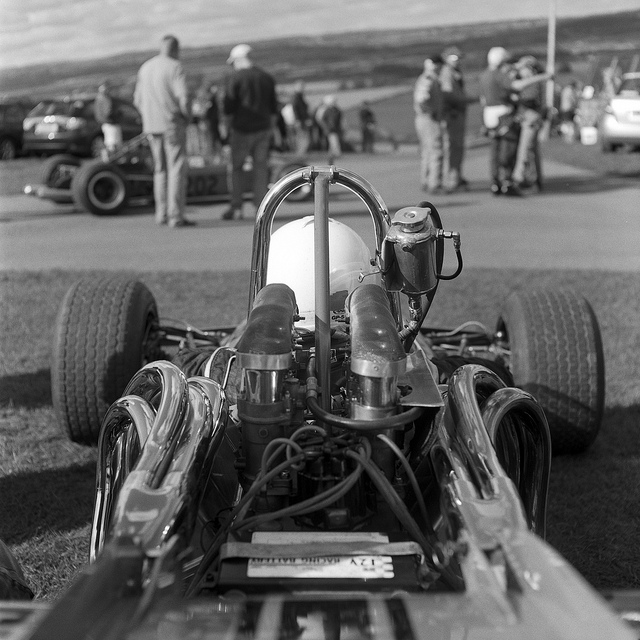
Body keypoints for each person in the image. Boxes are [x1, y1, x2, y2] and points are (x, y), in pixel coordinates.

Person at [134, 34, 193, 227]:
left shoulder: (146, 67)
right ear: (176, 49)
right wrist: (188, 117)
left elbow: (137, 100)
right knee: (176, 168)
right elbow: (183, 98)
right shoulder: (175, 67)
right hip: (171, 124)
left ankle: (161, 213)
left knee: (159, 170)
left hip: (151, 125)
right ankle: (175, 215)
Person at [478, 46, 552, 196]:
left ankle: (497, 181)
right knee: (510, 149)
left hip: (490, 116)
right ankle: (508, 182)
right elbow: (516, 86)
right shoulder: (500, 75)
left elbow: (483, 99)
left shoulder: (485, 75)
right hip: (504, 115)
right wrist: (543, 77)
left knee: (496, 150)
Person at [222, 43, 278, 220]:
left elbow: (228, 109)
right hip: (263, 129)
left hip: (241, 130)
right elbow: (274, 109)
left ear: (238, 59)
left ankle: (236, 207)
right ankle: (260, 209)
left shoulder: (235, 78)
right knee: (260, 169)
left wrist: (226, 131)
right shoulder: (266, 78)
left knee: (236, 168)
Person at [440, 46, 473, 192]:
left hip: (457, 113)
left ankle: (457, 177)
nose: (458, 61)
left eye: (459, 58)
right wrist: (467, 99)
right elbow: (450, 94)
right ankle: (452, 179)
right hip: (453, 114)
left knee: (458, 147)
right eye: (455, 58)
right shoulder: (447, 73)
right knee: (453, 147)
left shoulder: (454, 72)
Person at [512, 56, 546, 191]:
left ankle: (519, 178)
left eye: (523, 69)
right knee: (532, 151)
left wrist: (516, 99)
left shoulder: (532, 83)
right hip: (532, 117)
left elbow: (530, 100)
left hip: (531, 118)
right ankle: (536, 180)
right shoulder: (534, 82)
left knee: (525, 150)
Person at [413, 54, 444, 194]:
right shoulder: (429, 79)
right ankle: (434, 184)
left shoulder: (425, 77)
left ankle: (426, 181)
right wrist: (431, 111)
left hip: (422, 118)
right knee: (436, 151)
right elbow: (422, 98)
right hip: (428, 119)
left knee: (427, 151)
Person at [94, 80, 123, 157]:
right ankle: (111, 160)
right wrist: (117, 114)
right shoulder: (105, 98)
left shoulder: (98, 98)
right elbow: (108, 112)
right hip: (110, 123)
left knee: (109, 143)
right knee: (112, 144)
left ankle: (107, 159)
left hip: (105, 123)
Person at [320, 95, 343, 162]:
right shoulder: (328, 111)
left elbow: (339, 120)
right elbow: (323, 119)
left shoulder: (337, 110)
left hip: (335, 128)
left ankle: (331, 154)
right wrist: (326, 127)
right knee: (333, 140)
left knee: (333, 141)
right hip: (330, 129)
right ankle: (336, 153)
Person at [290, 81, 311, 154]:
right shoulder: (296, 97)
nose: (303, 88)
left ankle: (302, 152)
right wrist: (297, 120)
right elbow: (295, 109)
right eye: (301, 87)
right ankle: (301, 152)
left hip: (302, 119)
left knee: (303, 136)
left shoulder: (300, 96)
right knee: (302, 136)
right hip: (300, 120)